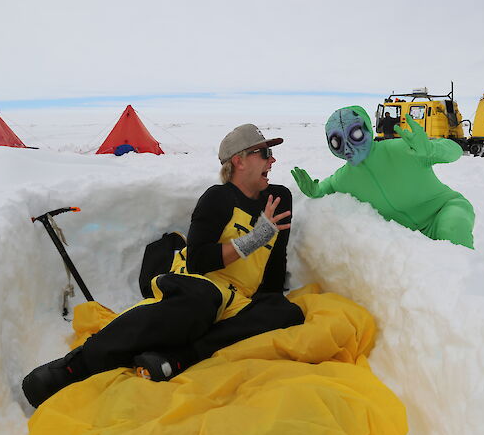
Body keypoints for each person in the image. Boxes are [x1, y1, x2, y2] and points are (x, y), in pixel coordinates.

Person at [22, 124, 304, 408]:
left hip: (238, 299)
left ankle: (178, 357)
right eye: (265, 153)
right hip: (199, 284)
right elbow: (198, 261)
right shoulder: (218, 198)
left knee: (287, 313)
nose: (272, 160)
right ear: (239, 161)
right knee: (201, 303)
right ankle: (80, 363)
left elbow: (275, 261)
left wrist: (268, 306)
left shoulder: (278, 198)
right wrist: (256, 238)